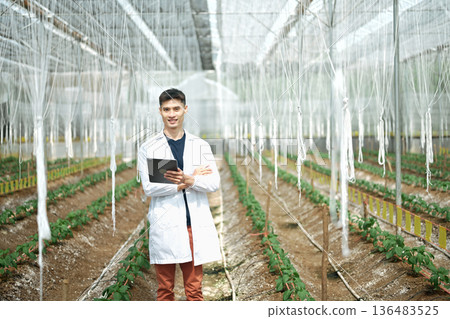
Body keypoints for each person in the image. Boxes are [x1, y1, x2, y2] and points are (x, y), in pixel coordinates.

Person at [138, 88, 221, 301]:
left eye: (176, 108)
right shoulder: (150, 148)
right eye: (167, 109)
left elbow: (213, 182)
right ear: (160, 112)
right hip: (166, 223)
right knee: (165, 290)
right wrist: (187, 182)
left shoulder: (200, 146)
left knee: (194, 290)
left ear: (185, 109)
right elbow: (150, 188)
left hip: (193, 224)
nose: (172, 114)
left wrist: (191, 179)